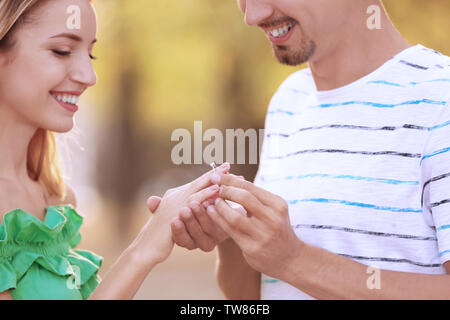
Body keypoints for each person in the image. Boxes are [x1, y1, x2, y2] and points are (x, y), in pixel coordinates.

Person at [167, 0, 450, 299]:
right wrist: (232, 234)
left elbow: (289, 264)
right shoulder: (289, 101)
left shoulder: (441, 100)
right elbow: (254, 296)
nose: (253, 16)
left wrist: (295, 261)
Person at [0, 0, 228, 300]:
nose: (89, 75)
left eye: (90, 53)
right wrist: (144, 248)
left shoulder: (57, 200)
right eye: (62, 51)